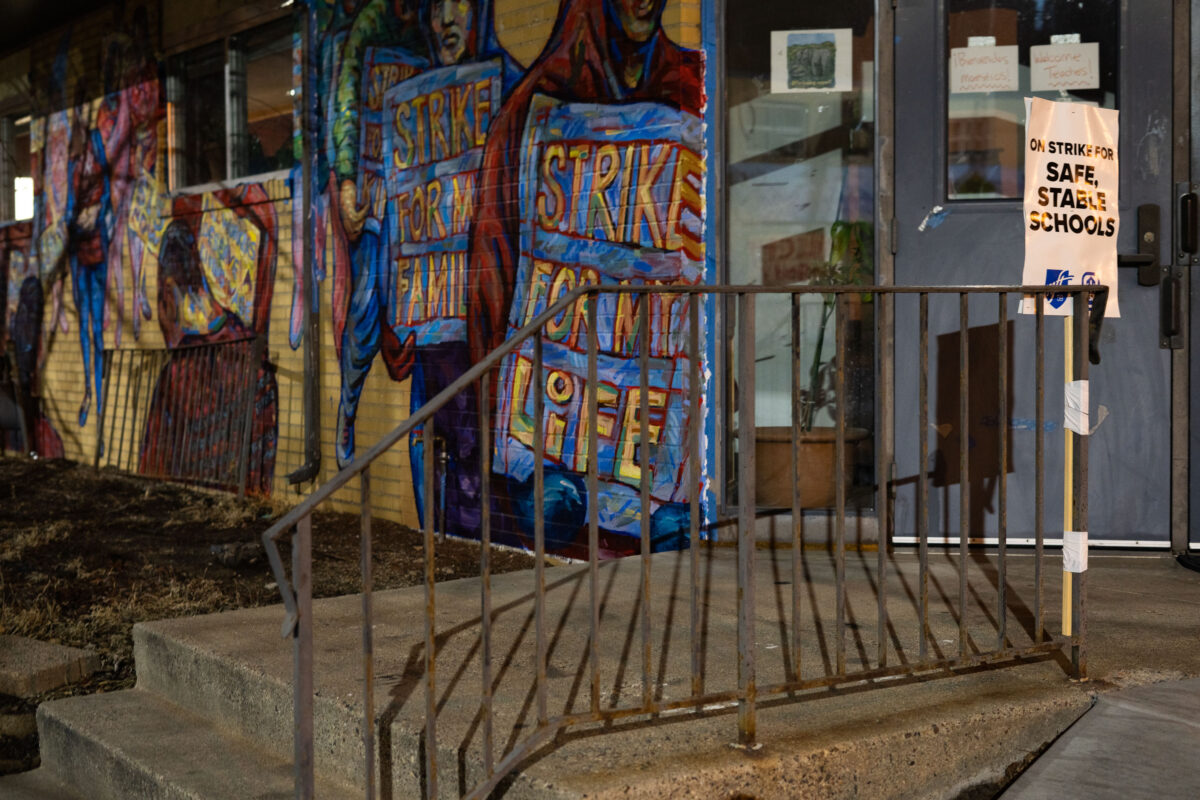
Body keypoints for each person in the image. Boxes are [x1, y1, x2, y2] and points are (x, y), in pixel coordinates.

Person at [467, 0, 703, 555]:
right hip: (559, 438)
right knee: (557, 508)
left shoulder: (696, 87)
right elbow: (491, 278)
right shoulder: (533, 108)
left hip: (661, 448)